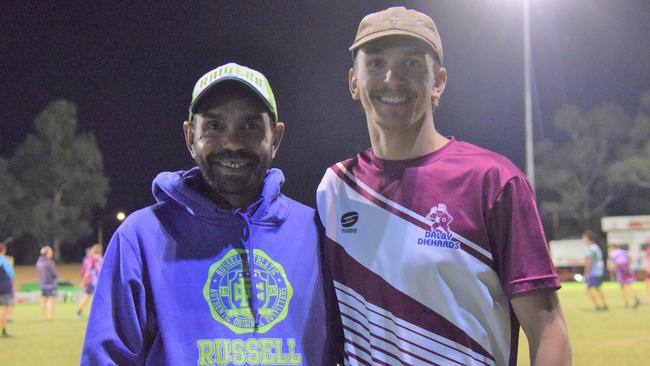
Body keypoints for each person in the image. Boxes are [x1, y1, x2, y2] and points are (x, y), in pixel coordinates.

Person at [316, 7, 571, 365]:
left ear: (438, 81)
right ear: (354, 81)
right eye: (375, 63)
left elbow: (547, 330)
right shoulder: (336, 189)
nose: (392, 78)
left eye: (411, 64)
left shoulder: (493, 181)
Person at [81, 62, 342, 365]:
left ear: (276, 138)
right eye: (215, 126)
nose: (232, 143)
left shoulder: (317, 233)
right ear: (190, 137)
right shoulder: (141, 238)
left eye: (250, 126)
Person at [582, 230, 608, 311]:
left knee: (588, 289)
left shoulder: (590, 248)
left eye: (583, 238)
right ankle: (604, 305)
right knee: (598, 288)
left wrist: (586, 273)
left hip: (594, 271)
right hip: (599, 270)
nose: (582, 240)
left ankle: (598, 306)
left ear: (588, 239)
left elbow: (589, 261)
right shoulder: (596, 247)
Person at [76, 244, 103, 319]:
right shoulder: (100, 258)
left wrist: (83, 281)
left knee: (88, 296)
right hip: (96, 281)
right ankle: (93, 314)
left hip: (92, 281)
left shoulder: (91, 259)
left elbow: (87, 271)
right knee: (92, 297)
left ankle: (80, 312)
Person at [36, 245, 58, 320]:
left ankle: (42, 316)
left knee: (43, 300)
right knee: (51, 300)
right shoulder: (49, 262)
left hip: (42, 283)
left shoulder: (38, 262)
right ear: (47, 253)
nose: (52, 253)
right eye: (50, 252)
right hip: (50, 284)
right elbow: (54, 274)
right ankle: (49, 316)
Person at [0, 242, 14, 337]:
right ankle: (4, 331)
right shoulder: (4, 260)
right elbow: (11, 274)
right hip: (4, 288)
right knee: (5, 310)